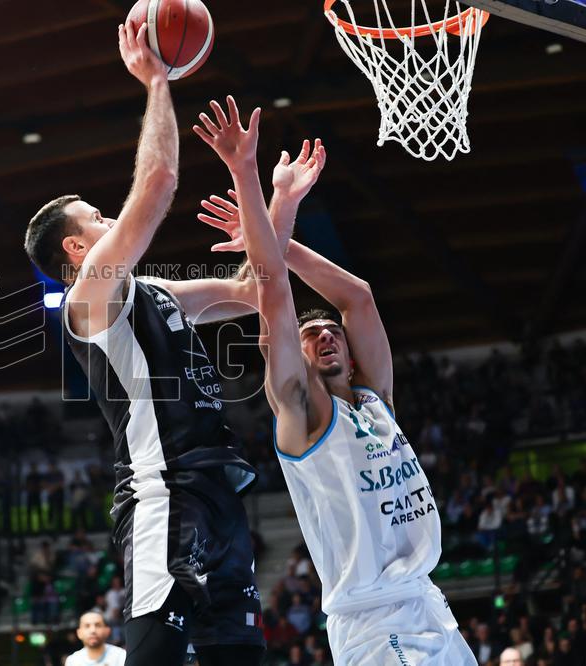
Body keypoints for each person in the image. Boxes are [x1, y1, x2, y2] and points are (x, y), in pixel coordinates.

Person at [24, 20, 332, 666]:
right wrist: (157, 79)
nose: (110, 220)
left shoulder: (154, 290)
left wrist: (277, 199)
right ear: (78, 250)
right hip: (166, 498)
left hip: (220, 499)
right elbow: (159, 180)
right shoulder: (91, 301)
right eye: (98, 221)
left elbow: (257, 288)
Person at [192, 94, 473, 664]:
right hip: (372, 621)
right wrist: (253, 183)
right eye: (311, 335)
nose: (325, 336)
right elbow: (272, 298)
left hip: (428, 603)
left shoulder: (375, 402)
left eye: (332, 332)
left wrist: (281, 234)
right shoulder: (302, 413)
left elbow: (359, 297)